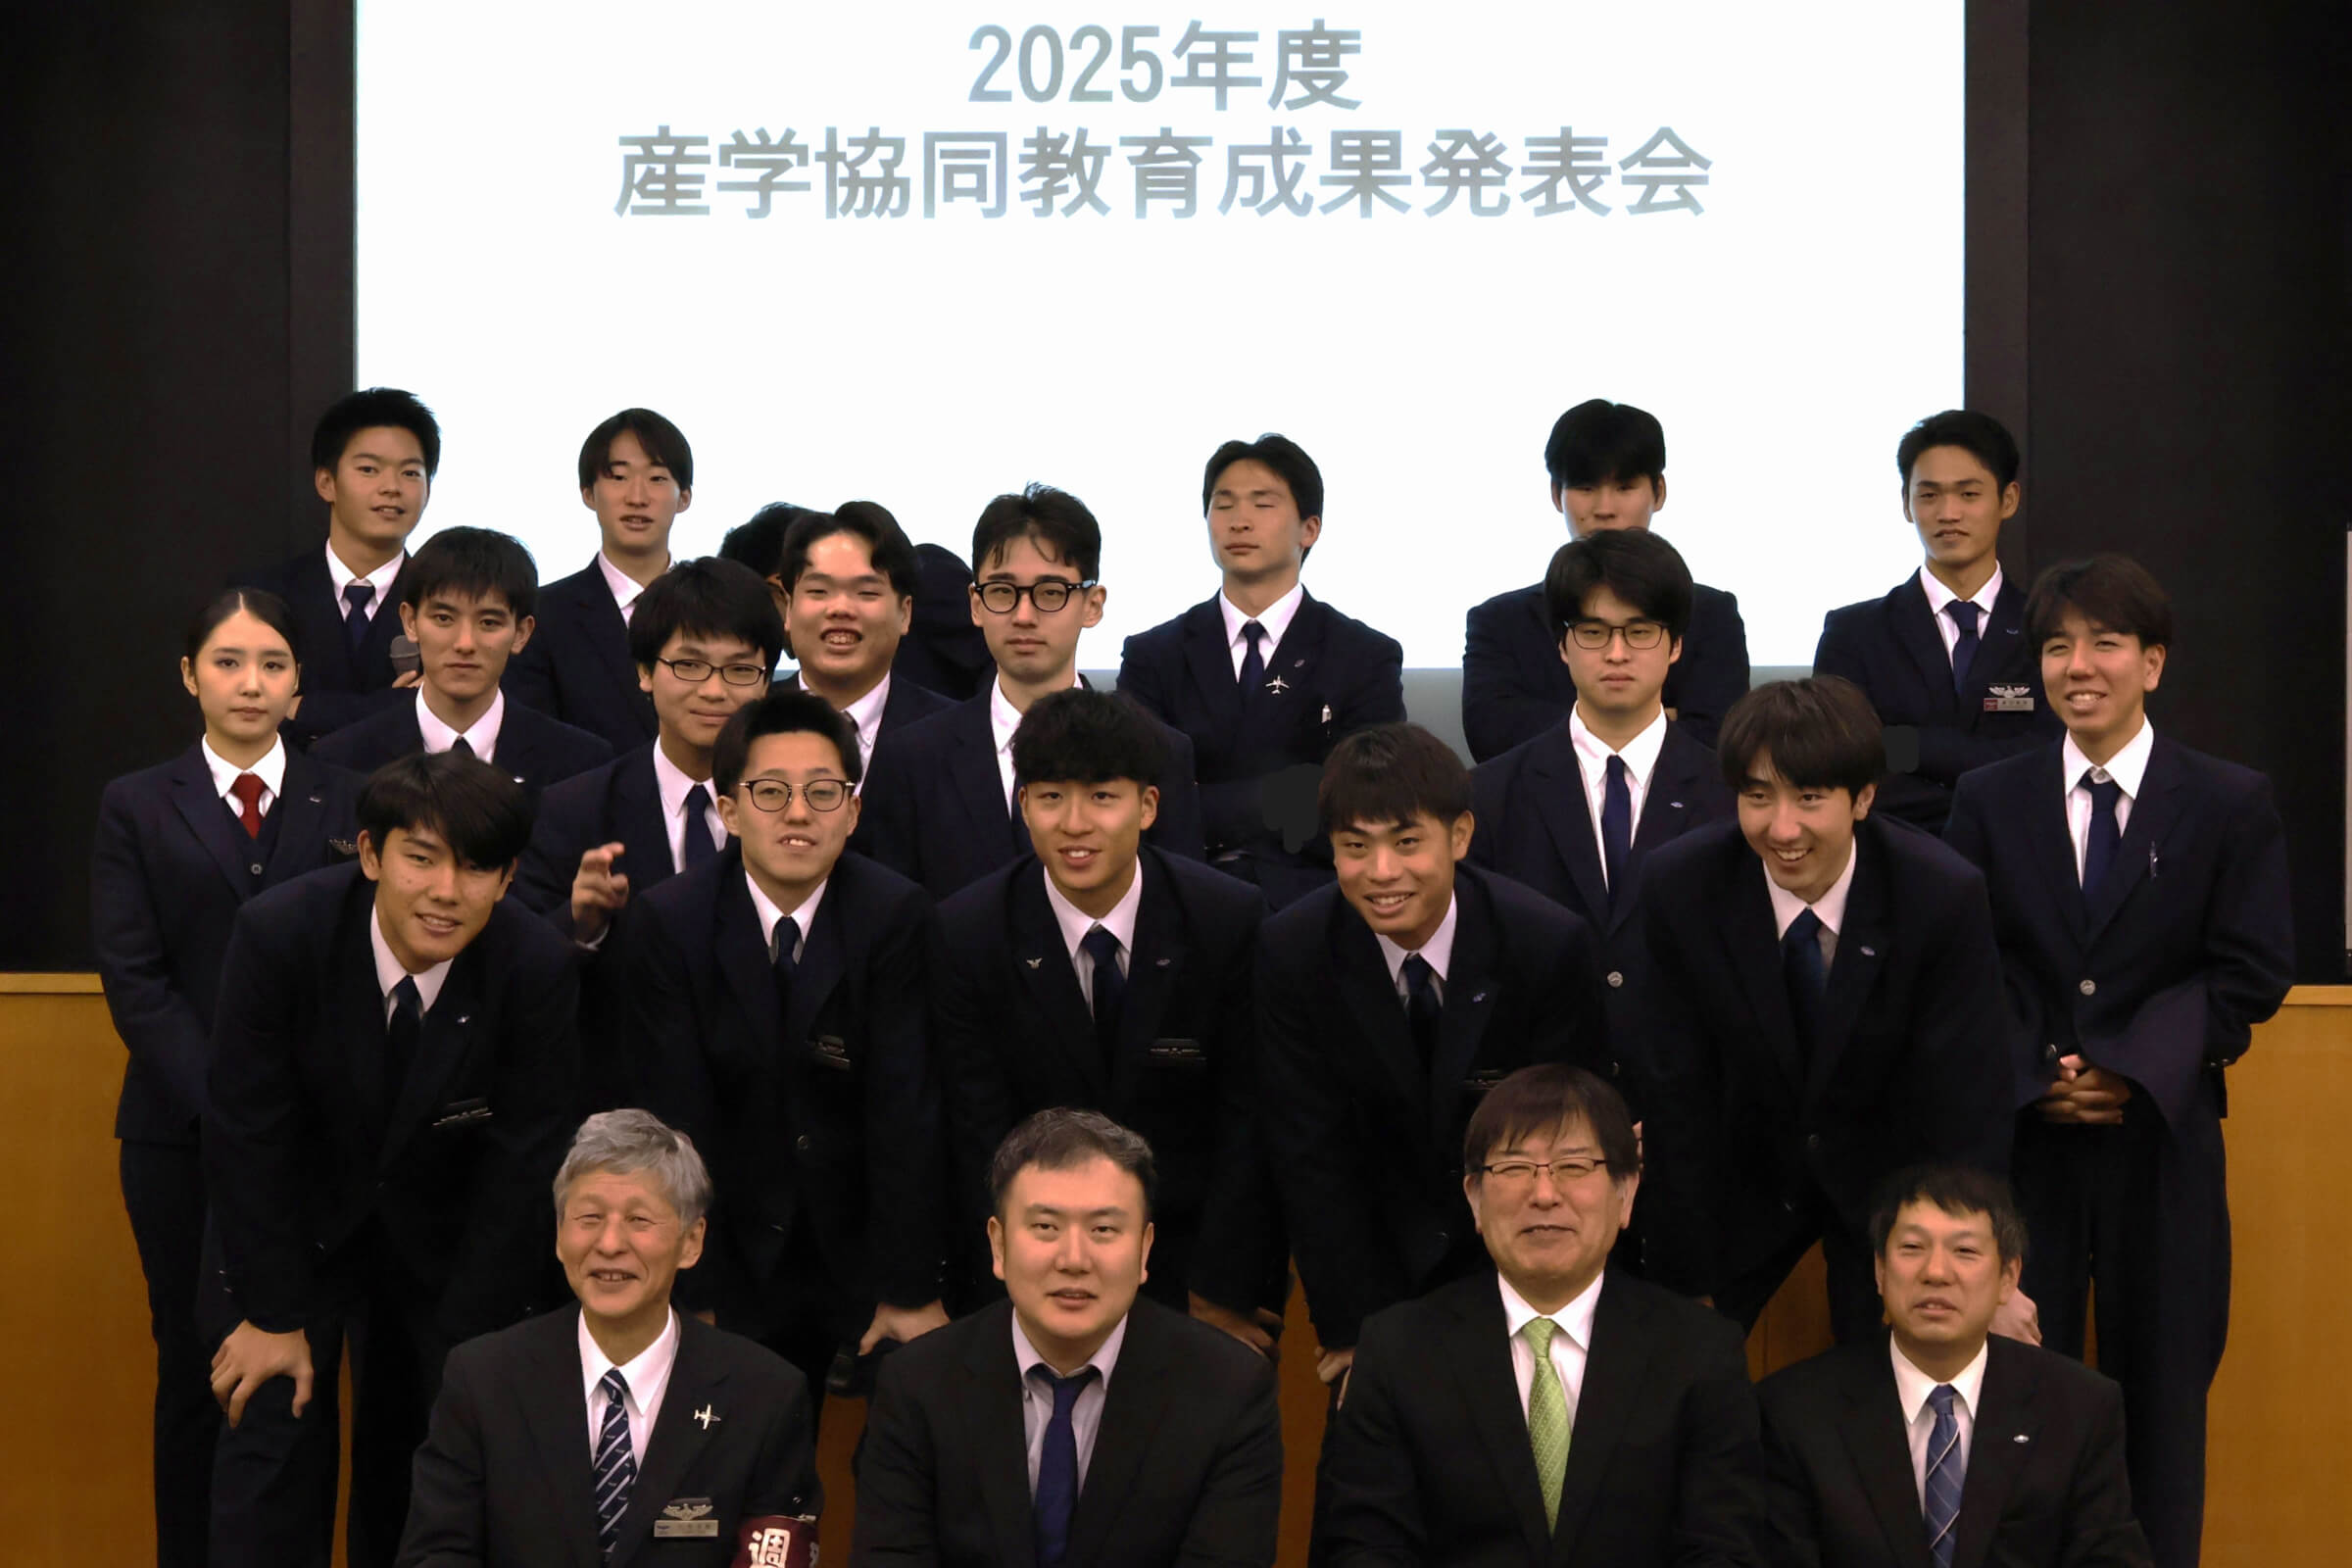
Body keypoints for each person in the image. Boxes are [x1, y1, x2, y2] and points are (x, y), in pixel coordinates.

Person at [1945, 556, 2292, 1568]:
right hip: (2026, 1145)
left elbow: (2251, 970)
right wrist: (2042, 1070)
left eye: (2104, 643)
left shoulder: (2228, 800)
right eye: (2058, 646)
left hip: (2162, 1144)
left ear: (2154, 662)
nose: (2078, 666)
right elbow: (1969, 963)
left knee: (2165, 1400)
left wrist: (2131, 1069)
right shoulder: (1989, 797)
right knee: (2013, 1395)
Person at [202, 751, 581, 1567]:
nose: (446, 891)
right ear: (372, 854)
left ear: (508, 879)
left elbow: (521, 1169)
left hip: (445, 1248)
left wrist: (465, 1349)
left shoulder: (536, 964)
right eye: (422, 858)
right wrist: (274, 1314)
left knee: (428, 1469)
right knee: (270, 1442)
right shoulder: (279, 933)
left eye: (476, 868)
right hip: (288, 1229)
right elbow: (248, 1134)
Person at [91, 588, 366, 1567]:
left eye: (273, 664)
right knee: (190, 1369)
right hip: (181, 1136)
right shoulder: (136, 802)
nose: (251, 683)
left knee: (304, 1374)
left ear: (299, 684)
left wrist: (287, 1114)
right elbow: (136, 980)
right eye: (228, 661)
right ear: (189, 676)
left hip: (320, 1142)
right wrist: (238, 1111)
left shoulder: (351, 796)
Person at [1639, 678, 2012, 1343]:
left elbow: (1967, 1103)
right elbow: (1676, 1092)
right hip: (1738, 1179)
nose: (1782, 829)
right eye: (1758, 797)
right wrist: (1685, 1281)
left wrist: (1971, 1267)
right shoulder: (1682, 886)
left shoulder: (1940, 894)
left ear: (1863, 797)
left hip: (1894, 1186)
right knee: (1676, 1358)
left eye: (1809, 798)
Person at [626, 690, 949, 1419]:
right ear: (729, 809)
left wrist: (907, 1287)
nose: (798, 813)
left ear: (853, 810)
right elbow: (674, 1118)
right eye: (771, 792)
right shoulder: (669, 920)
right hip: (726, 1247)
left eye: (822, 792)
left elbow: (907, 1109)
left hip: (859, 1244)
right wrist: (693, 1291)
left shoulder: (896, 914)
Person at [1258, 721, 1610, 1388]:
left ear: (1460, 835)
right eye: (1355, 847)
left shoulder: (1544, 944)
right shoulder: (1294, 950)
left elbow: (1560, 1146)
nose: (1381, 872)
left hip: (1514, 1270)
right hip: (1369, 1274)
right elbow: (1309, 1155)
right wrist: (1355, 1331)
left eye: (1407, 842)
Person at [933, 688, 1286, 1344]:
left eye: (1101, 796)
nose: (1075, 824)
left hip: (1191, 1264)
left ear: (1148, 805)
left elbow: (1249, 1116)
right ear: (1023, 806)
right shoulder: (968, 932)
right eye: (1051, 797)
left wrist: (1218, 1292)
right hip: (1032, 1263)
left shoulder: (1226, 918)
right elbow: (977, 1129)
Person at [1322, 1064, 1765, 1566]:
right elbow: (1368, 1548)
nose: (1545, 1194)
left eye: (1574, 1166)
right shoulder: (1398, 1351)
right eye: (1514, 1168)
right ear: (1474, 1199)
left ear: (1625, 1193)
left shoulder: (1701, 1352)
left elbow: (1723, 1548)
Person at [852, 1109, 1282, 1568]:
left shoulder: (1229, 1391)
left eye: (1103, 1230)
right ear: (998, 1245)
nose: (1074, 1259)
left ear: (1144, 1249)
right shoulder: (916, 1384)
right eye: (1046, 1227)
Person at [397, 1111, 822, 1567]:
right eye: (589, 1217)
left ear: (691, 1242)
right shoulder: (482, 1380)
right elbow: (436, 1554)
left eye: (639, 1219)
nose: (610, 1243)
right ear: (559, 1234)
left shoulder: (765, 1396)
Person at [1759, 1165, 2153, 1567]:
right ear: (1880, 1271)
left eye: (1964, 1251)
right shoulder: (1796, 1411)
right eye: (1912, 1247)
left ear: (2008, 1277)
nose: (1935, 1272)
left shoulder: (2078, 1407)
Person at [1469, 528, 1735, 1096]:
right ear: (1562, 645)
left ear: (1676, 644)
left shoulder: (1732, 796)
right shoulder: (1488, 796)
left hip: (1695, 1106)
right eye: (1592, 632)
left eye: (1640, 631)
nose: (1616, 653)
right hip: (1539, 1103)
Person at [513, 558, 784, 1103]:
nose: (714, 691)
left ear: (766, 681)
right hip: (620, 1105)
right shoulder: (572, 810)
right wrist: (580, 924)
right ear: (643, 671)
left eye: (739, 670)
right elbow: (517, 973)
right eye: (689, 665)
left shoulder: (794, 809)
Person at [858, 483, 1204, 901]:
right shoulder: (911, 759)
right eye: (1002, 592)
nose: (1024, 616)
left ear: (1093, 605)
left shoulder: (1160, 753)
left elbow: (1179, 906)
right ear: (975, 604)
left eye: (1050, 593)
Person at [1116, 433, 1404, 907]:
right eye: (1223, 504)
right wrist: (1287, 794)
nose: (1240, 521)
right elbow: (1137, 799)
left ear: (1309, 529)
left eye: (1262, 504)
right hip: (1180, 895)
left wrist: (1203, 798)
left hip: (1314, 899)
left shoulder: (1363, 655)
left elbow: (1364, 800)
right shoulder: (1154, 655)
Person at [1814, 411, 2061, 833]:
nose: (1948, 513)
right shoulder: (1853, 634)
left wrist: (1907, 743)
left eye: (1968, 494)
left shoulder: (2050, 630)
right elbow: (1843, 760)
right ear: (1906, 504)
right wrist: (1988, 765)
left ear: (2008, 500)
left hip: (2021, 852)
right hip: (1894, 853)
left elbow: (2053, 757)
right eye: (1929, 495)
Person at [1462, 399, 1749, 760]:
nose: (1604, 509)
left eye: (1624, 488)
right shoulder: (1500, 621)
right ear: (1556, 495)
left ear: (1659, 492)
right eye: (1585, 488)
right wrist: (1655, 723)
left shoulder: (1711, 615)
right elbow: (1492, 736)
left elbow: (1721, 739)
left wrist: (1566, 723)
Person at [312, 526, 612, 790]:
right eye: (444, 618)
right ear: (410, 622)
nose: (465, 643)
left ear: (521, 633)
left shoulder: (581, 763)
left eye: (489, 623)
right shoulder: (340, 761)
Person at [232, 387, 439, 742]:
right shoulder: (259, 597)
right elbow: (245, 712)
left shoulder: (445, 602)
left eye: (410, 473)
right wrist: (396, 707)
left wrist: (301, 708)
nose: (391, 487)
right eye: (369, 469)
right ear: (326, 483)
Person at [505, 408, 695, 751]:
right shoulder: (542, 617)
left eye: (657, 478)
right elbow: (534, 742)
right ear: (588, 493)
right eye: (618, 477)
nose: (637, 497)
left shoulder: (719, 610)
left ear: (684, 497)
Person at [773, 501, 956, 770]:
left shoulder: (956, 734)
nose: (840, 609)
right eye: (819, 591)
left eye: (866, 593)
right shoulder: (744, 721)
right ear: (789, 609)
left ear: (905, 613)